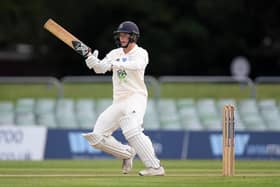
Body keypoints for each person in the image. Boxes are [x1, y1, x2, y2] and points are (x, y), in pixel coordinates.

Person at [82, 21, 165, 176]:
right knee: (96, 137)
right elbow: (101, 68)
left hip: (136, 97)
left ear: (133, 37)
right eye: (120, 35)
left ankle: (155, 167)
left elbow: (137, 65)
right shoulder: (115, 53)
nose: (122, 38)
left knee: (132, 130)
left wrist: (115, 64)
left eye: (126, 35)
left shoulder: (141, 53)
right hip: (118, 101)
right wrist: (93, 63)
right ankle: (127, 154)